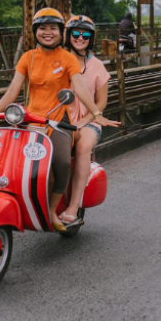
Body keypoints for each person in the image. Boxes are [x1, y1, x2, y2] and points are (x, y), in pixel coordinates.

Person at [0, 8, 120, 232]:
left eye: (53, 28)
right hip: (31, 120)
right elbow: (12, 91)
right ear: (35, 31)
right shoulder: (28, 58)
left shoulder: (67, 58)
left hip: (58, 121)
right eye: (42, 28)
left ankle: (53, 209)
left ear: (59, 32)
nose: (48, 32)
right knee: (11, 159)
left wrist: (95, 113)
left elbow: (80, 89)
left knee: (62, 162)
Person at [60, 14, 110, 226]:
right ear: (68, 35)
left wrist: (82, 122)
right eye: (76, 33)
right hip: (61, 119)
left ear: (91, 38)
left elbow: (101, 103)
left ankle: (73, 206)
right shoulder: (58, 60)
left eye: (86, 35)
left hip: (89, 122)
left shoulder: (97, 66)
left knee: (82, 148)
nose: (80, 38)